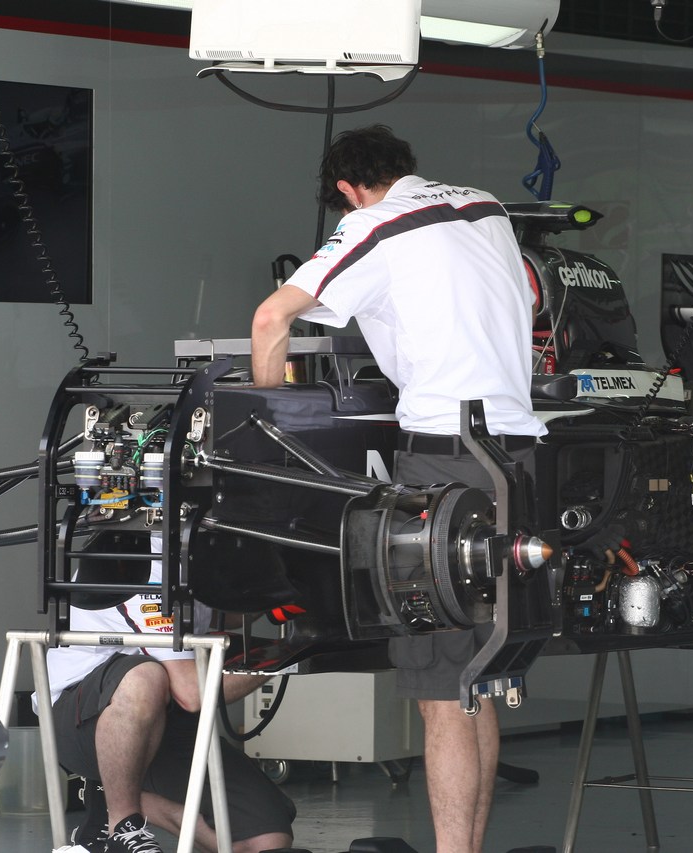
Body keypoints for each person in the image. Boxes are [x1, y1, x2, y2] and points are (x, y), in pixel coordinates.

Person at [251, 125, 546, 853]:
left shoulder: (373, 224)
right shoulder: (486, 207)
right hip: (520, 459)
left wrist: (268, 433)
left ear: (348, 189)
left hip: (447, 460)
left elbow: (271, 316)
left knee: (441, 693)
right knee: (478, 675)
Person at [44, 552, 298, 853]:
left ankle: (110, 795)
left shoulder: (199, 558)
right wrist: (293, 651)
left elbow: (215, 615)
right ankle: (122, 826)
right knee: (144, 680)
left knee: (265, 842)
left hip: (167, 725)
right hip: (85, 723)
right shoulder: (146, 562)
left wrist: (288, 600)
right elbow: (192, 694)